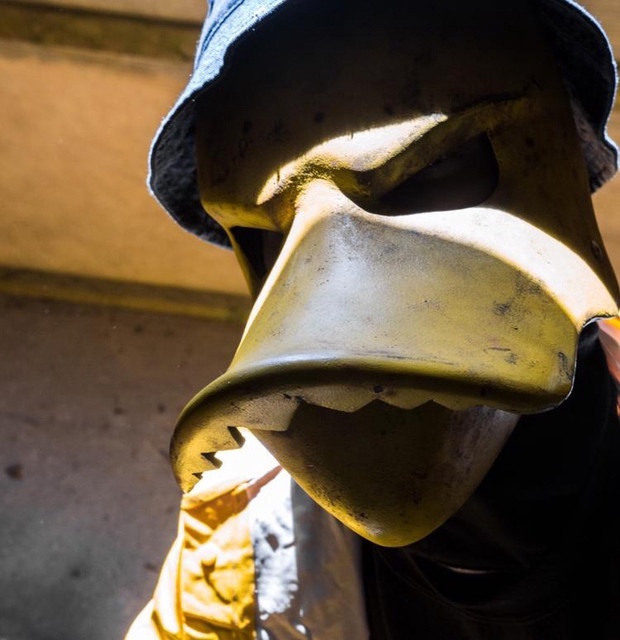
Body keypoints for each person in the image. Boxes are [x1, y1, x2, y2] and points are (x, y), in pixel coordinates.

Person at [127, 0, 620, 637]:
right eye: (271, 231)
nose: (333, 276)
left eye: (430, 167)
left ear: (560, 156)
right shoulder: (238, 543)